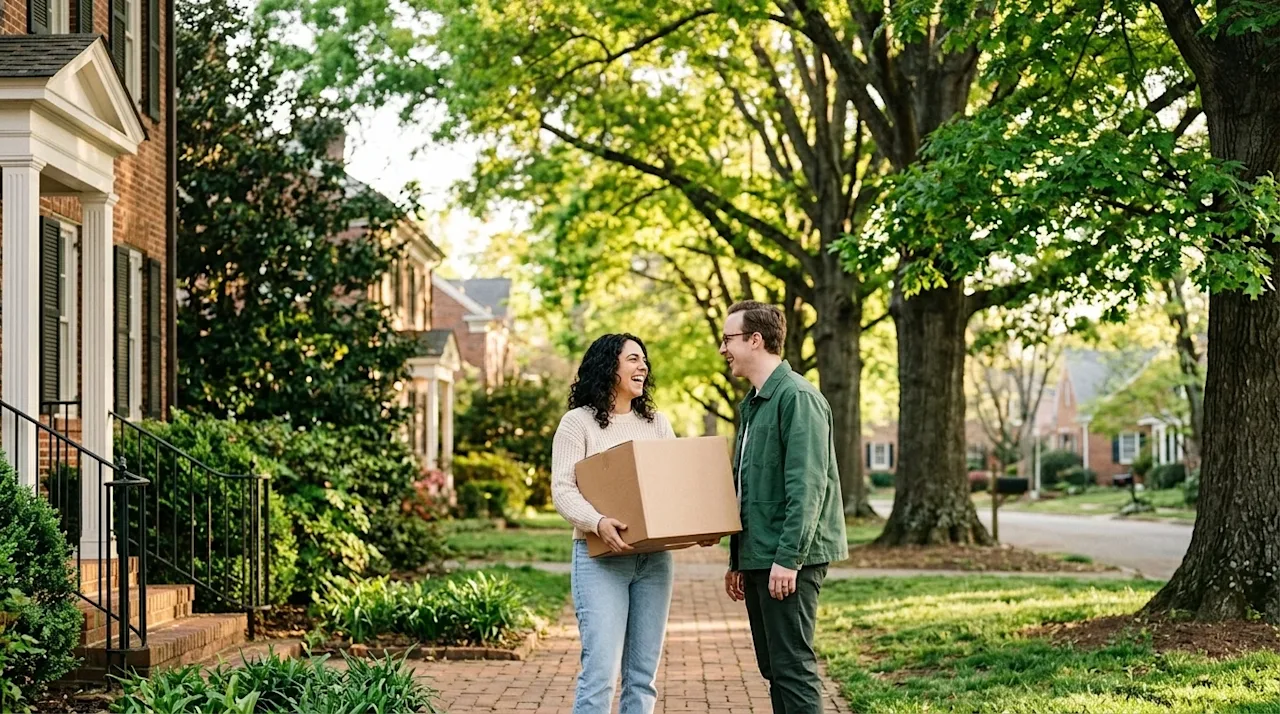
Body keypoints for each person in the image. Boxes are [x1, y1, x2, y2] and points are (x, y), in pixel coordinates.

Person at [718, 301, 848, 714]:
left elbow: (807, 487)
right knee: (774, 667)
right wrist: (738, 559)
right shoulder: (754, 404)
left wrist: (788, 559)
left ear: (755, 340)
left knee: (792, 666)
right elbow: (748, 489)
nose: (723, 349)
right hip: (761, 556)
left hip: (789, 558)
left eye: (728, 339)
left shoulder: (798, 398)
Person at [551, 333, 677, 714]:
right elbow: (563, 489)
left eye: (644, 360)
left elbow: (678, 483)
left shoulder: (657, 423)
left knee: (642, 678)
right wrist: (598, 521)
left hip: (653, 562)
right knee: (600, 675)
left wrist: (696, 525)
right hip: (600, 561)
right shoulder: (579, 424)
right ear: (609, 366)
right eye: (633, 359)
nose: (643, 367)